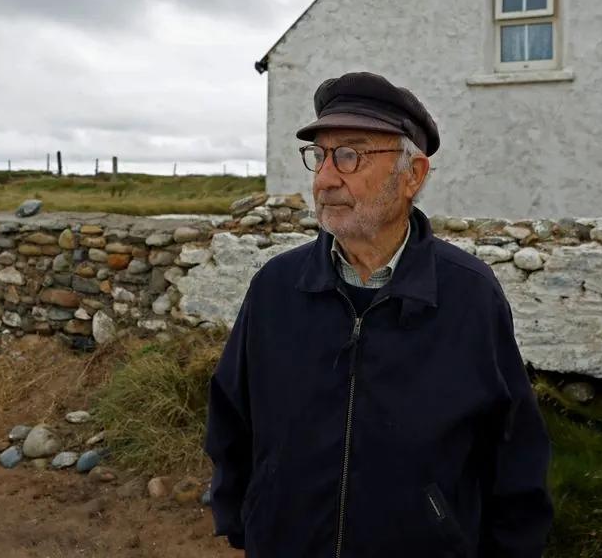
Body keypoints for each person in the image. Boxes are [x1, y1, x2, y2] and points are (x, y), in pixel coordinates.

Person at [204, 71, 553, 557]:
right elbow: (231, 420)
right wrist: (248, 522)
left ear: (413, 175)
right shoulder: (276, 288)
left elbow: (514, 456)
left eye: (350, 154)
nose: (325, 179)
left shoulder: (470, 296)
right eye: (320, 156)